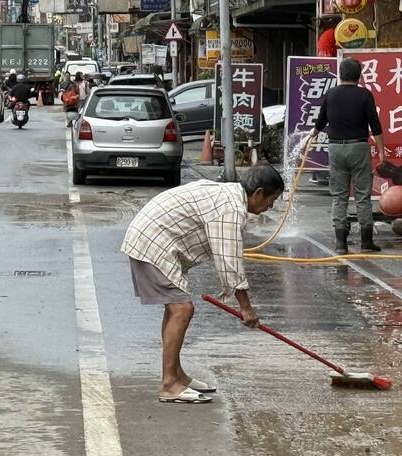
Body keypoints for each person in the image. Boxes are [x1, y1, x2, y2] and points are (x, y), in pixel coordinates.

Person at [121, 165, 285, 404]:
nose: (270, 207)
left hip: (154, 239)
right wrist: (246, 308)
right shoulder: (230, 209)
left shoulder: (229, 193)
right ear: (258, 193)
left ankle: (177, 376)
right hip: (152, 242)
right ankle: (169, 385)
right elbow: (230, 262)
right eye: (272, 200)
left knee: (176, 308)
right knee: (182, 309)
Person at [311, 57, 385, 255]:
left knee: (339, 196)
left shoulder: (330, 94)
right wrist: (381, 151)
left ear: (340, 75)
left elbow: (320, 121)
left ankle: (341, 244)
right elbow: (375, 125)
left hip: (335, 149)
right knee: (362, 196)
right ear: (359, 76)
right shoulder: (365, 95)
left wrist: (312, 135)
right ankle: (366, 242)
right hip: (358, 148)